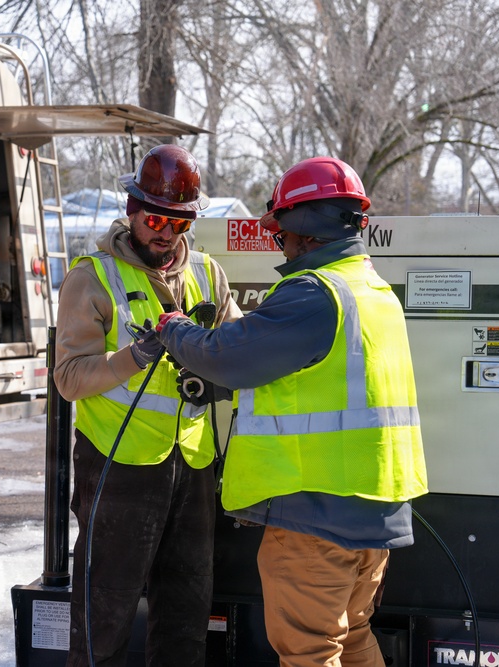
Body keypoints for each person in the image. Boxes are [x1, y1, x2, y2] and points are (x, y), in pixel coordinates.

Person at [154, 156, 428, 667]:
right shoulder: (373, 291)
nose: (281, 242)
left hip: (316, 519)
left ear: (303, 228)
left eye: (281, 232)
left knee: (307, 652)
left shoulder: (313, 293)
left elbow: (224, 356)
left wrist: (173, 329)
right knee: (350, 639)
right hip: (373, 517)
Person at [54, 143, 242, 666]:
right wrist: (135, 355)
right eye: (155, 218)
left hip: (194, 463)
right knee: (105, 612)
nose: (165, 232)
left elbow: (235, 347)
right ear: (132, 210)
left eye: (178, 223)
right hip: (119, 466)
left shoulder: (208, 275)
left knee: (186, 609)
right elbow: (69, 378)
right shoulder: (92, 277)